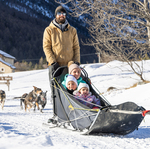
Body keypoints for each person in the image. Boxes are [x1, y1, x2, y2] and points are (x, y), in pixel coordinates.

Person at [43, 5, 80, 123]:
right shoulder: (49, 30)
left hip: (69, 66)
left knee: (71, 89)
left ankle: (74, 113)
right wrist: (52, 61)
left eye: (63, 14)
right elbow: (46, 47)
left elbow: (76, 47)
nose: (61, 16)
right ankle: (57, 115)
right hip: (55, 65)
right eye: (59, 14)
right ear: (55, 15)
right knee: (56, 90)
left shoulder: (72, 30)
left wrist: (77, 62)